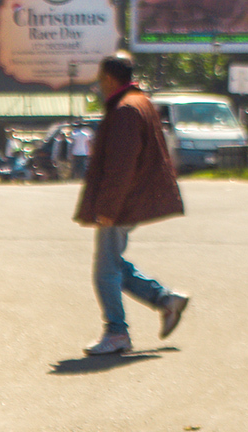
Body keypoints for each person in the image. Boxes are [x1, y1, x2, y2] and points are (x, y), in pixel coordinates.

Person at [75, 55, 189, 356]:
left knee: (105, 270)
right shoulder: (139, 102)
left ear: (110, 79)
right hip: (133, 197)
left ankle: (116, 332)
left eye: (101, 80)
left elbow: (121, 166)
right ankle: (166, 300)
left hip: (123, 201)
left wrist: (108, 209)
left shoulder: (125, 110)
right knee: (114, 264)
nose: (99, 87)